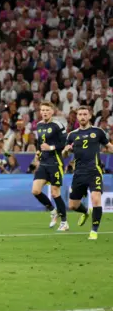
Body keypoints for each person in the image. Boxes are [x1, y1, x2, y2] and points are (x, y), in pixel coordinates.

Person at [63, 106, 113, 240]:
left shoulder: (98, 132)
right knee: (72, 205)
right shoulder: (72, 135)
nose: (82, 116)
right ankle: (85, 211)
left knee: (96, 198)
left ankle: (94, 231)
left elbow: (109, 146)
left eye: (85, 114)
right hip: (78, 173)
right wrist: (66, 150)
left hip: (94, 171)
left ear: (90, 116)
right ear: (77, 117)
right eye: (80, 114)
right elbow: (64, 155)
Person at [31, 101, 68, 230]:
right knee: (35, 190)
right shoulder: (39, 125)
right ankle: (53, 210)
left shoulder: (58, 125)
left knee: (55, 192)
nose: (45, 112)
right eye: (43, 110)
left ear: (52, 111)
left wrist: (50, 147)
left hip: (55, 162)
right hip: (44, 163)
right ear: (40, 112)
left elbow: (64, 143)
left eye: (47, 110)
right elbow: (40, 142)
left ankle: (64, 222)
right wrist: (38, 152)